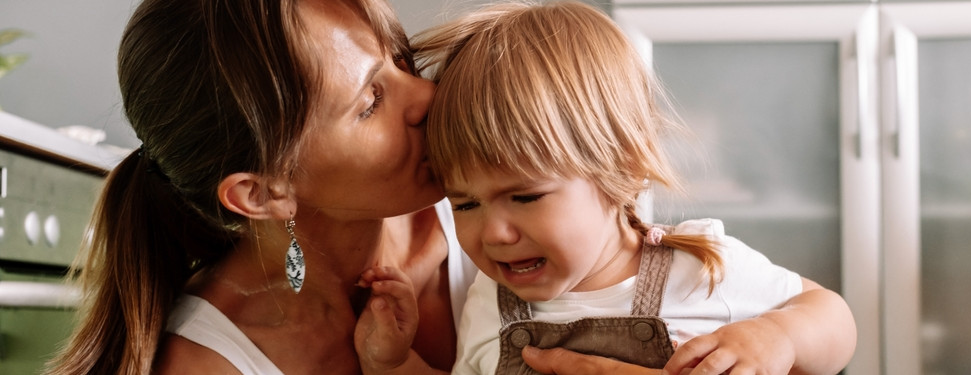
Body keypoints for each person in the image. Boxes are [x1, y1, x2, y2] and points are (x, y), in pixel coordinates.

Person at [354, 1, 856, 375]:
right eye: (464, 203)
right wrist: (392, 362)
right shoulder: (489, 302)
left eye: (525, 196)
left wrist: (776, 336)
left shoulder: (699, 269)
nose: (495, 232)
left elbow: (832, 316)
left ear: (619, 168)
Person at [44, 0, 476, 373]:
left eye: (401, 59)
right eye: (370, 104)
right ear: (265, 193)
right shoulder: (210, 364)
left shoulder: (498, 194)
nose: (427, 94)